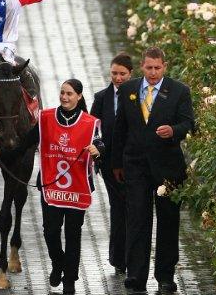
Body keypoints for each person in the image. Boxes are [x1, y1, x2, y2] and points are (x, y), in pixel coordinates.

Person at [0, 79, 103, 294]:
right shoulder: (46, 118)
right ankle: (58, 262)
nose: (64, 97)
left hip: (76, 189)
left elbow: (100, 143)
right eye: (62, 93)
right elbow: (24, 144)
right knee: (50, 232)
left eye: (69, 94)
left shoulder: (89, 122)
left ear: (79, 97)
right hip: (51, 188)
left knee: (73, 234)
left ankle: (69, 281)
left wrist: (98, 150)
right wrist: (2, 154)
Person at [112, 47, 195, 292]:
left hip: (167, 167)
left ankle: (165, 277)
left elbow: (188, 123)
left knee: (168, 222)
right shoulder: (128, 90)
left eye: (157, 68)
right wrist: (116, 163)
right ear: (142, 67)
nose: (153, 73)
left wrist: (173, 131)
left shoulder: (179, 91)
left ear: (164, 67)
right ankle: (136, 275)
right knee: (137, 219)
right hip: (135, 166)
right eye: (149, 68)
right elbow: (120, 129)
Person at [89, 53, 133, 274]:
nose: (117, 78)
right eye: (114, 73)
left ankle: (128, 256)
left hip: (133, 163)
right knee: (118, 206)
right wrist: (99, 150)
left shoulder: (138, 95)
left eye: (122, 74)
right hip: (109, 164)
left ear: (130, 74)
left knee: (132, 208)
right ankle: (119, 258)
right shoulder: (101, 98)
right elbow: (93, 130)